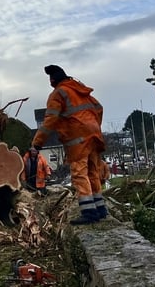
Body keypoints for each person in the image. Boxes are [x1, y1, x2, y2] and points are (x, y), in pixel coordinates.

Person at [32, 65, 106, 225]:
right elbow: (99, 108)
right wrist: (94, 125)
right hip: (94, 134)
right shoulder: (81, 90)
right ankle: (100, 208)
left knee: (80, 173)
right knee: (93, 171)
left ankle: (89, 212)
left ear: (52, 80)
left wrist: (37, 144)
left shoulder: (58, 93)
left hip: (77, 137)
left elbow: (49, 121)